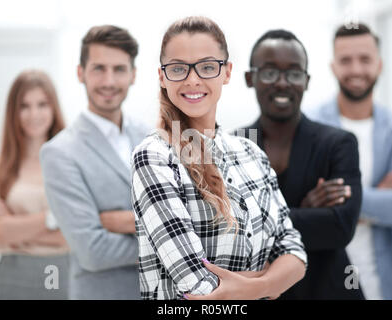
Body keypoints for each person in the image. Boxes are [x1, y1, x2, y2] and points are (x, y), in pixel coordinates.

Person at [131, 16, 307, 300]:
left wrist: (258, 286)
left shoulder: (251, 152)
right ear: (162, 76)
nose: (192, 79)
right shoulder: (154, 156)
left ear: (226, 73)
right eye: (178, 68)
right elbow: (197, 287)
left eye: (207, 67)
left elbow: (295, 252)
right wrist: (271, 280)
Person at [235, 29, 364, 300]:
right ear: (250, 78)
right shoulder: (231, 145)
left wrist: (259, 222)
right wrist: (303, 213)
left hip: (328, 290)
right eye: (270, 72)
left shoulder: (338, 143)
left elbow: (341, 227)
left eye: (294, 73)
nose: (282, 83)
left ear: (305, 81)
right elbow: (223, 232)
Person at [307, 23, 392, 300]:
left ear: (380, 64)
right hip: (328, 281)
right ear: (333, 66)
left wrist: (341, 201)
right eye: (346, 60)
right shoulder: (309, 128)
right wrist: (379, 196)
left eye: (365, 59)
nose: (356, 70)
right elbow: (304, 205)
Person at [40, 25, 150, 299]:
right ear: (81, 73)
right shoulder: (59, 153)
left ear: (133, 75)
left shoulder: (153, 138)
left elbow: (189, 216)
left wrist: (126, 222)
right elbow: (92, 252)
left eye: (119, 69)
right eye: (99, 68)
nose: (109, 81)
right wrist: (171, 245)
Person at [0, 70, 70, 300]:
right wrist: (53, 218)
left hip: (61, 274)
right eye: (24, 106)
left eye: (42, 104)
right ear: (14, 111)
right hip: (11, 276)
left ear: (53, 108)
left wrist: (14, 226)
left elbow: (72, 236)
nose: (34, 114)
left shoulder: (71, 164)